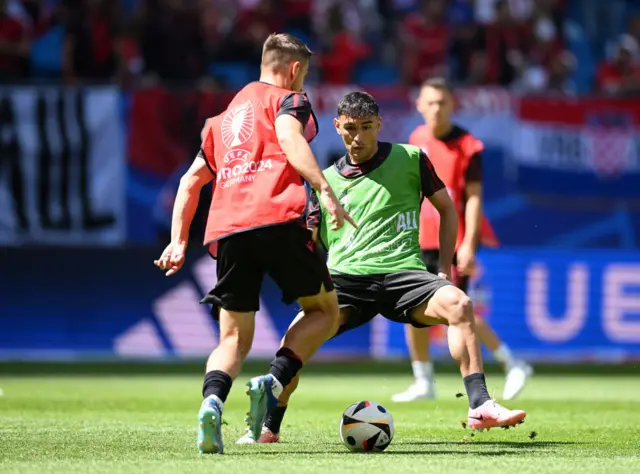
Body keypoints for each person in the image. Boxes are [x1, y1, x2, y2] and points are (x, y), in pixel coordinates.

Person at [236, 91, 527, 445]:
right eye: (349, 129)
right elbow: (309, 242)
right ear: (337, 127)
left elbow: (448, 210)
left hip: (404, 274)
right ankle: (268, 427)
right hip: (345, 280)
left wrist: (446, 271)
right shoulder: (323, 182)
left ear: (380, 125)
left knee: (460, 304)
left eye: (366, 128)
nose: (357, 138)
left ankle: (479, 404)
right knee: (292, 344)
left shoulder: (412, 158)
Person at [154, 33, 354, 454]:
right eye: (305, 75)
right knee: (325, 311)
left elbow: (190, 182)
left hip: (228, 229)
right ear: (295, 70)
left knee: (232, 339)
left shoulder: (221, 121)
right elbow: (289, 139)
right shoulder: (288, 101)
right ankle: (276, 378)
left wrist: (177, 240)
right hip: (278, 219)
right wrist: (325, 190)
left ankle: (212, 401)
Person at [392, 78, 532, 403]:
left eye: (442, 102)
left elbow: (473, 198)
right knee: (411, 309)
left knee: (458, 310)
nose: (436, 109)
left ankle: (513, 363)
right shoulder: (416, 140)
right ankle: (423, 380)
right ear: (419, 106)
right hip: (420, 238)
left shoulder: (470, 146)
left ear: (453, 105)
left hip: (451, 241)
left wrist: (469, 241)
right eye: (430, 102)